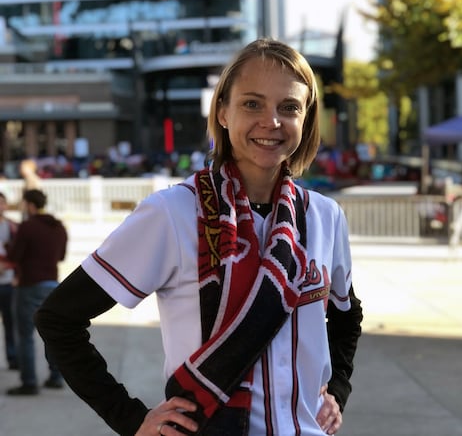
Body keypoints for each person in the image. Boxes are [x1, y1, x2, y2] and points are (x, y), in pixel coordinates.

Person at [35, 38, 363, 436]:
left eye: (289, 107)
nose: (271, 121)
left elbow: (346, 317)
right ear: (223, 111)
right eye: (252, 104)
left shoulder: (325, 217)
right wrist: (132, 418)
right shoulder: (173, 214)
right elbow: (58, 319)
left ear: (307, 118)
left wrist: (337, 392)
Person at [5, 189, 68, 395]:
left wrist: (7, 245)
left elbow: (14, 255)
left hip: (29, 284)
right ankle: (56, 376)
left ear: (30, 205)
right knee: (51, 334)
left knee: (25, 336)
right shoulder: (59, 227)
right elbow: (61, 256)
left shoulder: (27, 226)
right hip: (52, 284)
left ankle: (29, 382)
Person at [0, 192, 18, 370]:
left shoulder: (13, 227)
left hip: (9, 281)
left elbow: (21, 254)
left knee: (11, 322)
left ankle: (13, 357)